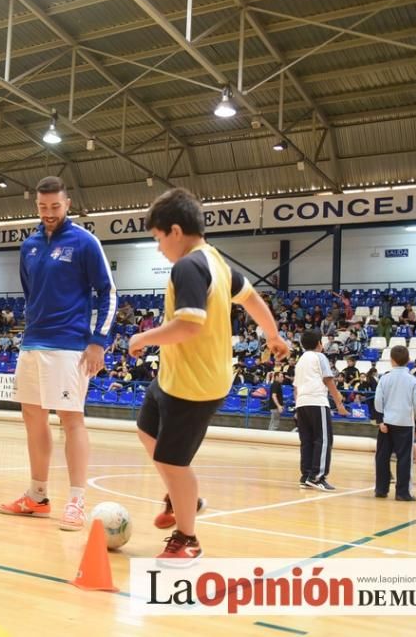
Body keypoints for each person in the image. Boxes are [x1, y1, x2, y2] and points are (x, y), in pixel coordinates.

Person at [125, 188, 288, 562]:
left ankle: (188, 538)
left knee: (173, 463)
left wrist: (143, 338)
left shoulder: (189, 266)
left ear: (176, 231)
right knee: (146, 431)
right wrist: (273, 334)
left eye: (158, 238)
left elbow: (188, 327)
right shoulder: (217, 262)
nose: (158, 247)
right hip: (173, 377)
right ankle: (183, 497)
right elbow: (252, 299)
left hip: (194, 386)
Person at [0, 175, 117, 532]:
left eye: (55, 206)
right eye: (42, 207)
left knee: (71, 419)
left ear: (67, 204)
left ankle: (77, 501)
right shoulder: (29, 245)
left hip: (70, 347)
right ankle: (37, 496)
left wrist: (99, 340)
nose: (49, 212)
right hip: (33, 343)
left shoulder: (85, 242)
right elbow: (29, 292)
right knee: (32, 418)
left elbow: (108, 292)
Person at [294, 329, 349, 491]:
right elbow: (328, 380)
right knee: (323, 440)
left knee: (307, 441)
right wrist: (339, 403)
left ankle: (306, 475)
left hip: (302, 403)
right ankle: (317, 477)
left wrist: (298, 406)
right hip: (317, 401)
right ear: (319, 343)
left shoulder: (300, 360)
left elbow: (296, 387)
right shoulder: (320, 357)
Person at [373, 345, 416, 501]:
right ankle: (402, 492)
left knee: (382, 457)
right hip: (405, 424)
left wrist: (380, 420)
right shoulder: (413, 380)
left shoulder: (384, 378)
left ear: (391, 360)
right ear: (408, 360)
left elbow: (377, 402)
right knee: (404, 459)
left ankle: (381, 490)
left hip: (386, 423)